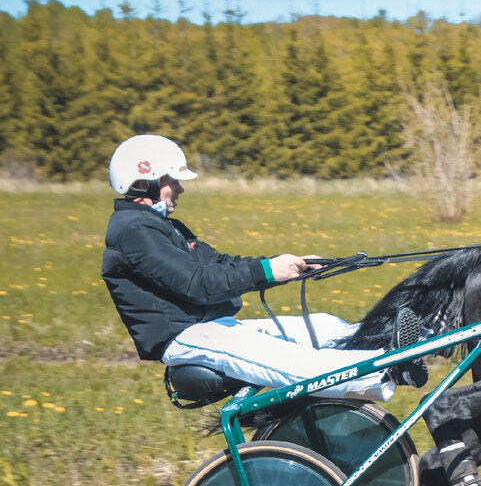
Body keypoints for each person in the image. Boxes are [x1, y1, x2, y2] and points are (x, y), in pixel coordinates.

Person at [101, 134, 422, 402]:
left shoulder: (164, 227)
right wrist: (267, 272)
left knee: (323, 325)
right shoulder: (133, 232)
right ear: (145, 182)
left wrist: (285, 265)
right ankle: (389, 368)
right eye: (173, 181)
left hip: (214, 325)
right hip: (185, 338)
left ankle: (394, 340)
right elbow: (197, 283)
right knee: (295, 362)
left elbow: (222, 264)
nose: (181, 189)